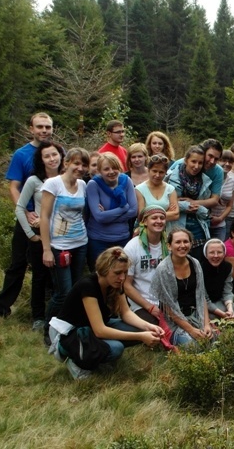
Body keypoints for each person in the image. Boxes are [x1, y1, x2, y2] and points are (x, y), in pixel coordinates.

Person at [48, 247, 164, 380]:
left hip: (91, 328)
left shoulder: (116, 284)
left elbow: (126, 313)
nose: (122, 278)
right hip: (69, 334)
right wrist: (141, 336)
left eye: (125, 273)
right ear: (104, 270)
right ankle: (73, 358)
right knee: (116, 348)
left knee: (139, 327)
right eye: (117, 273)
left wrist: (148, 327)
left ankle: (96, 354)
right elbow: (100, 331)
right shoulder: (88, 286)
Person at [0, 112, 54, 324]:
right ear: (31, 129)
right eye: (40, 127)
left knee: (47, 265)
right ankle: (1, 310)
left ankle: (45, 311)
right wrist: (24, 211)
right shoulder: (21, 154)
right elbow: (14, 186)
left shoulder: (54, 153)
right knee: (17, 263)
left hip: (48, 220)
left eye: (47, 127)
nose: (44, 130)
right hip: (26, 218)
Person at [40, 147, 91, 343]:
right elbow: (44, 217)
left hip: (80, 243)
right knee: (63, 292)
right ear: (66, 163)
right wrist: (47, 249)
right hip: (59, 245)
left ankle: (68, 327)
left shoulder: (83, 186)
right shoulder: (53, 184)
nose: (80, 168)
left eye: (84, 165)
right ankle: (48, 330)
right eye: (76, 163)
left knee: (75, 290)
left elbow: (82, 214)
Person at [13, 141, 64, 331]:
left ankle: (59, 315)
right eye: (47, 156)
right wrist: (30, 235)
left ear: (61, 155)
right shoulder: (34, 181)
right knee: (40, 277)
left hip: (63, 236)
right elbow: (20, 208)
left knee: (60, 278)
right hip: (40, 237)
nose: (52, 159)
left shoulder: (68, 179)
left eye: (54, 154)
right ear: (41, 160)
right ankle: (38, 317)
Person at [150, 228, 214, 347]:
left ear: (191, 244)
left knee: (214, 341)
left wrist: (206, 324)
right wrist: (191, 330)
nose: (182, 245)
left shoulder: (195, 264)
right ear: (169, 246)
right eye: (178, 242)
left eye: (186, 241)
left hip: (196, 313)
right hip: (174, 320)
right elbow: (168, 308)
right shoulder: (164, 270)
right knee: (194, 346)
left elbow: (201, 297)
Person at [86, 152, 138, 271]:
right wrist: (123, 208)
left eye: (114, 168)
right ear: (99, 171)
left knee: (122, 273)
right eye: (106, 169)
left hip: (122, 239)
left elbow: (134, 211)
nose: (111, 172)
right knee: (100, 274)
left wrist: (108, 216)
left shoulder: (126, 181)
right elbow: (99, 217)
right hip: (99, 240)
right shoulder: (93, 185)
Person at [123, 205, 170, 324]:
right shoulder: (132, 247)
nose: (159, 221)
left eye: (162, 218)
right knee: (154, 326)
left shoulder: (169, 245)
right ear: (144, 222)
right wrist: (149, 307)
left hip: (166, 300)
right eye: (154, 218)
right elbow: (126, 285)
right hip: (141, 302)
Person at [167, 146, 212, 260]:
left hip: (199, 230)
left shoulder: (204, 180)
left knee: (198, 266)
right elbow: (165, 202)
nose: (196, 166)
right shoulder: (170, 177)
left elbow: (206, 211)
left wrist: (199, 208)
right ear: (186, 160)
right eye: (193, 161)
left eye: (200, 163)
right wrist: (185, 205)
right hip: (177, 228)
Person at [135, 154, 179, 228]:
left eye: (161, 172)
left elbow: (175, 215)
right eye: (154, 171)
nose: (157, 175)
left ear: (166, 173)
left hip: (167, 232)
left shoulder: (170, 189)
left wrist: (151, 215)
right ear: (148, 170)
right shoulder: (140, 189)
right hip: (147, 232)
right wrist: (167, 212)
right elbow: (142, 216)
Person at [200, 238, 234, 319]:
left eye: (219, 252)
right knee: (210, 315)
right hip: (203, 305)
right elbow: (204, 300)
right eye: (211, 252)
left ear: (224, 253)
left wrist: (230, 309)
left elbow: (227, 292)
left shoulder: (227, 267)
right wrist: (223, 314)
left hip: (218, 301)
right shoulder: (199, 269)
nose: (216, 255)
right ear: (206, 254)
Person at [209, 150, 234, 241]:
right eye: (223, 160)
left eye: (230, 162)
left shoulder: (232, 182)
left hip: (220, 225)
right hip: (204, 222)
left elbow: (229, 205)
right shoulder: (209, 178)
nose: (227, 164)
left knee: (219, 251)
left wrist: (220, 218)